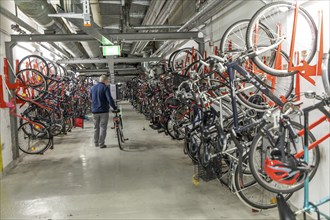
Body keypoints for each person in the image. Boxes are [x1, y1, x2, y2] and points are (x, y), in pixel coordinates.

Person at [90, 75, 117, 148]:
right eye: (107, 80)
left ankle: (96, 143)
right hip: (103, 111)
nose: (108, 82)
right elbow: (109, 99)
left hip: (94, 111)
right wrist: (114, 107)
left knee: (96, 127)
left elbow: (91, 98)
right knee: (103, 127)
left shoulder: (92, 88)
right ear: (105, 80)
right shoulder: (105, 87)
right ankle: (101, 144)